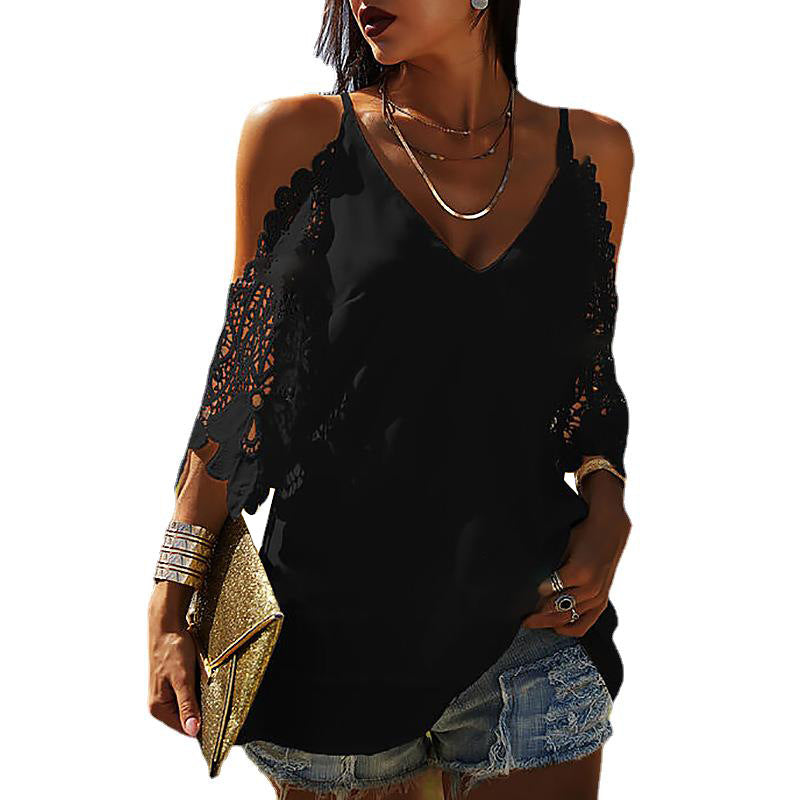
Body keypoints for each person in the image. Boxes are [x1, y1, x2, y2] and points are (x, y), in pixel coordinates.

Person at [147, 2, 634, 798]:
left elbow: (586, 378)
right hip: (331, 649)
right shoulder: (300, 137)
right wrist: (170, 602)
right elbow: (239, 395)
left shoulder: (595, 151)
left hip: (531, 637)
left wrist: (608, 504)